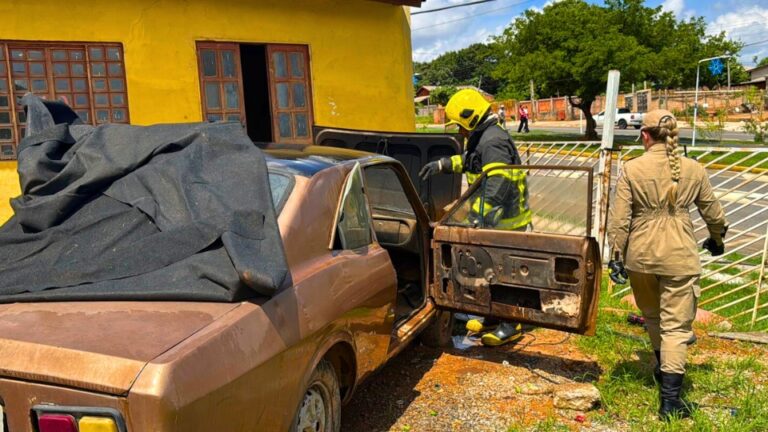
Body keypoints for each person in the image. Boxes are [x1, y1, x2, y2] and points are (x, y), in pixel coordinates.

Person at [607, 109, 727, 420]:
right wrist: (717, 239)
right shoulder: (694, 169)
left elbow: (619, 220)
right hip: (679, 255)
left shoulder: (631, 170)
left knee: (653, 317)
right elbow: (713, 213)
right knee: (676, 327)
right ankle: (671, 401)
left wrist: (616, 255)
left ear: (645, 135)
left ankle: (664, 370)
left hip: (641, 256)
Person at [419, 88, 532, 346]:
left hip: (505, 221)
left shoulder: (492, 141)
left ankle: (510, 323)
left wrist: (481, 216)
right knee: (490, 270)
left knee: (504, 272)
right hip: (495, 220)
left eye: (459, 126)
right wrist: (443, 164)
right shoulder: (483, 137)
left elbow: (499, 182)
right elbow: (471, 161)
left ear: (470, 118)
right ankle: (493, 316)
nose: (459, 131)